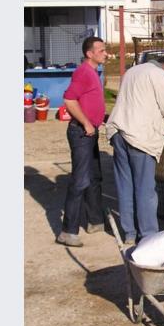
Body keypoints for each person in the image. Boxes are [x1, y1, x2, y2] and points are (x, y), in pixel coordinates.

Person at [105, 57, 164, 245]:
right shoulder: (157, 74)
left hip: (119, 131)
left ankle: (129, 233)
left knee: (125, 186)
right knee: (145, 190)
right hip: (140, 136)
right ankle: (148, 235)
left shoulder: (133, 71)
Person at [57, 36, 108, 247]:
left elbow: (89, 100)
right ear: (90, 53)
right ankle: (68, 231)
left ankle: (95, 221)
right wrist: (87, 122)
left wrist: (98, 119)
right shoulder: (83, 72)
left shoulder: (94, 73)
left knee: (94, 177)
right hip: (81, 133)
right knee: (80, 180)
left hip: (90, 132)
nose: (106, 53)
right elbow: (69, 99)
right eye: (102, 50)